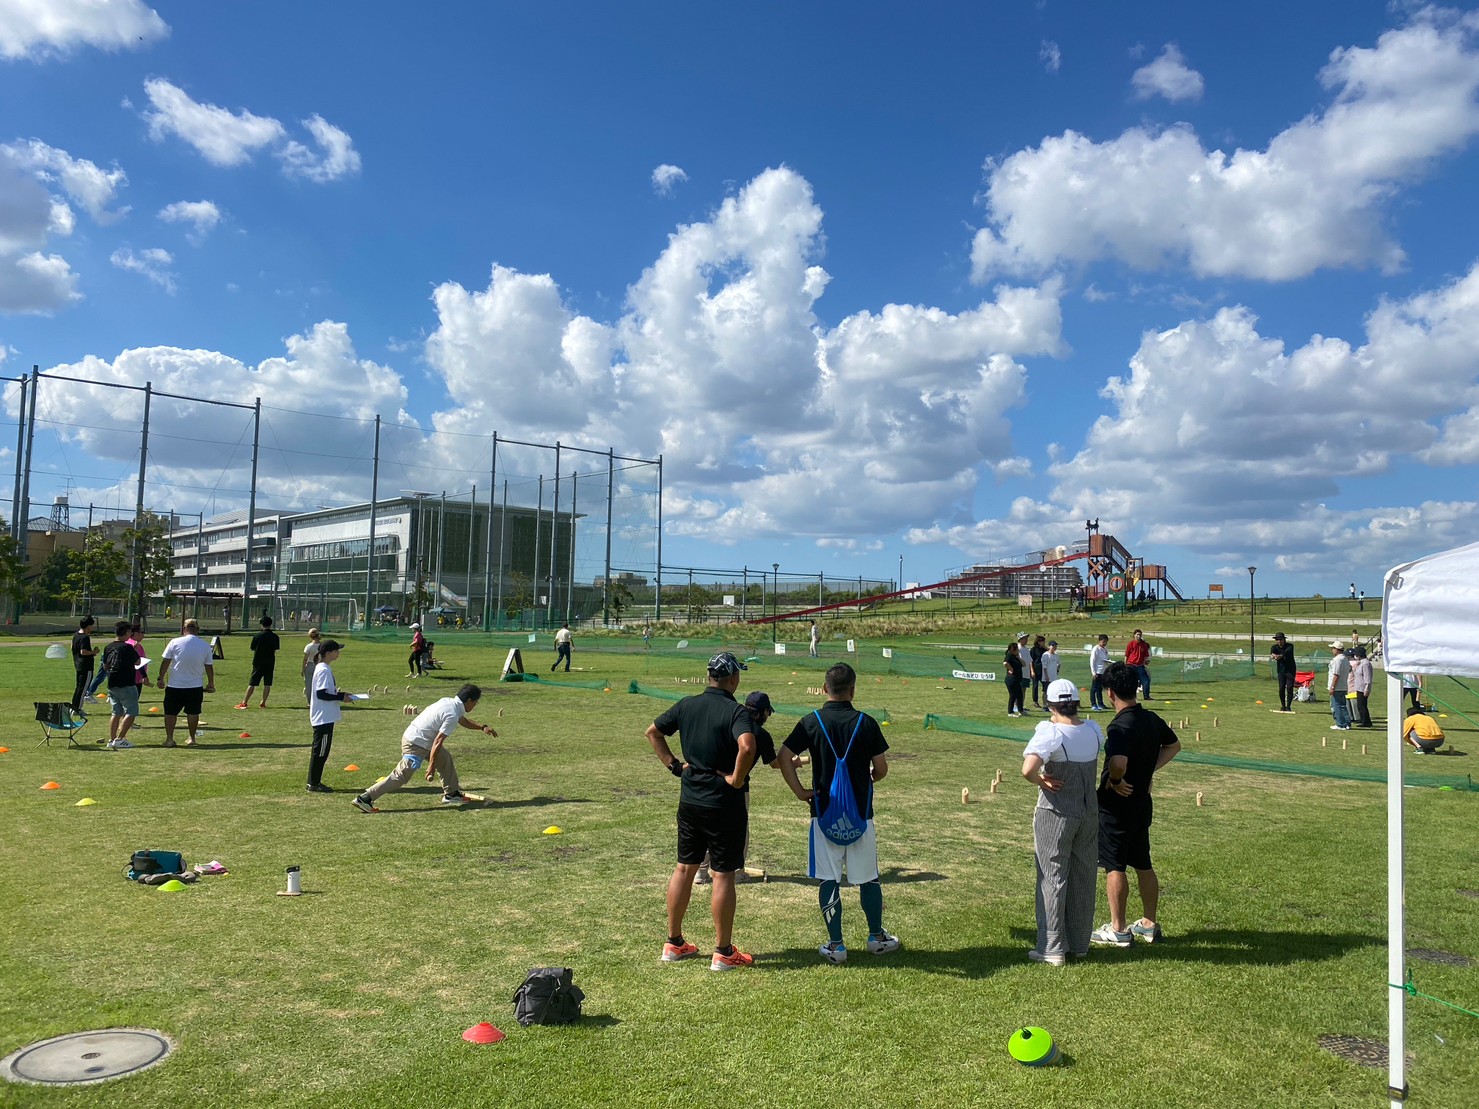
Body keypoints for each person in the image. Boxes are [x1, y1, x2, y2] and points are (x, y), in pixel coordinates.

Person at [776, 662, 899, 965]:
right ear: (853, 690)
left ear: (824, 688)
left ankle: (836, 945)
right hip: (861, 813)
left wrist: (800, 791)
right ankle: (876, 937)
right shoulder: (867, 723)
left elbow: (783, 757)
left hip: (823, 811)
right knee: (868, 878)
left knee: (828, 879)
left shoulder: (811, 721)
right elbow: (881, 769)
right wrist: (870, 777)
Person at [643, 651, 758, 971]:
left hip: (690, 801)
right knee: (723, 874)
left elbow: (653, 732)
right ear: (733, 678)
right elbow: (747, 746)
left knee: (684, 868)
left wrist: (675, 766)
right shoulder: (737, 712)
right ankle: (723, 951)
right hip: (723, 804)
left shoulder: (687, 704)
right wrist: (736, 778)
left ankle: (674, 943)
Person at [1092, 661, 1180, 947]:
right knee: (1143, 863)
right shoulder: (1151, 718)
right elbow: (1173, 745)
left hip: (1116, 806)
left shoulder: (1119, 726)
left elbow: (1118, 762)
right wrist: (1148, 770)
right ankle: (1148, 924)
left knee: (1114, 865)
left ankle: (1118, 929)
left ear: (1110, 692)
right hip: (1142, 803)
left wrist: (1117, 780)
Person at [1021, 678, 1103, 965]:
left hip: (1055, 811)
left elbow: (1028, 769)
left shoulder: (1050, 732)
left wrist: (1041, 781)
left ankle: (1052, 946)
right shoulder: (1093, 730)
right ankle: (1080, 942)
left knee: (1052, 875)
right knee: (1083, 876)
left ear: (1051, 704)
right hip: (1089, 812)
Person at [353, 684, 499, 811]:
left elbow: (463, 721)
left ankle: (451, 794)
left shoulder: (449, 702)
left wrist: (482, 727)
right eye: (476, 703)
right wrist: (431, 766)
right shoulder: (451, 714)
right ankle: (365, 798)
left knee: (445, 758)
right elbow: (438, 742)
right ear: (469, 701)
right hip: (415, 743)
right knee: (401, 776)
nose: (475, 706)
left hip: (420, 739)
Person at [696, 690, 781, 886]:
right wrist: (793, 762)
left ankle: (700, 872)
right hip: (738, 785)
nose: (768, 716)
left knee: (710, 826)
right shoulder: (760, 734)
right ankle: (737, 871)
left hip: (712, 782)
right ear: (763, 712)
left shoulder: (731, 722)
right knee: (738, 829)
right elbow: (775, 763)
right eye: (768, 712)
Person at [156, 618, 216, 747]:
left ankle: (169, 739)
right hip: (195, 686)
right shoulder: (205, 645)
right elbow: (209, 666)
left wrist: (160, 678)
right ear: (197, 630)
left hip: (175, 685)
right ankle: (192, 738)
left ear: (184, 629)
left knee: (170, 713)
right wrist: (211, 683)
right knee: (193, 713)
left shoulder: (174, 642)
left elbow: (166, 661)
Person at [306, 639, 349, 792]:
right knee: (321, 752)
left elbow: (327, 692)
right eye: (337, 651)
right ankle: (314, 783)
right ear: (329, 653)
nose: (338, 653)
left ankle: (314, 782)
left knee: (321, 751)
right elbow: (321, 693)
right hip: (323, 718)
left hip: (325, 716)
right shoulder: (323, 669)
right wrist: (340, 698)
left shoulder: (322, 667)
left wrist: (341, 694)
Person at [100, 620, 142, 750]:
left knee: (116, 712)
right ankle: (120, 738)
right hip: (126, 683)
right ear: (126, 632)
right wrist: (134, 651)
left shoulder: (108, 647)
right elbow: (138, 662)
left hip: (112, 683)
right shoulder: (127, 647)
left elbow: (105, 666)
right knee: (131, 711)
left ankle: (111, 739)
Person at [238, 615, 281, 709]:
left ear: (261, 624)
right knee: (267, 683)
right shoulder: (275, 636)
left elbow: (252, 648)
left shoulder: (257, 636)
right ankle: (263, 702)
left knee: (252, 683)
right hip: (270, 661)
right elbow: (275, 649)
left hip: (258, 661)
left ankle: (244, 702)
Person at [71, 616, 97, 714]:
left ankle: (73, 706)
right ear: (88, 626)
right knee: (83, 688)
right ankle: (77, 709)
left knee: (79, 687)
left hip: (78, 664)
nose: (92, 628)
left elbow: (72, 648)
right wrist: (93, 651)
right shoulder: (85, 637)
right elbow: (83, 651)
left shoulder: (76, 635)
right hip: (86, 666)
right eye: (91, 626)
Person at [1327, 640, 1352, 731]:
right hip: (1343, 685)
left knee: (1336, 705)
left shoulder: (1337, 660)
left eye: (1333, 648)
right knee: (1342, 705)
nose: (1332, 650)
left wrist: (1332, 687)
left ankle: (1340, 724)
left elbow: (1336, 674)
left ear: (1337, 649)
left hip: (1337, 686)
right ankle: (1347, 723)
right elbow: (1350, 669)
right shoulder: (1345, 659)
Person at [1270, 632, 1297, 713]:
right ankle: (1283, 706)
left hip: (1290, 670)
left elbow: (1286, 653)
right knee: (1281, 688)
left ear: (1284, 639)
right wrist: (1273, 656)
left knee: (1289, 687)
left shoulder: (1290, 646)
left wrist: (1279, 656)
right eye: (1277, 640)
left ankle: (1288, 706)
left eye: (1280, 639)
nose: (1279, 641)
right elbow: (1272, 654)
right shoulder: (1274, 647)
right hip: (1281, 670)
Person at [1350, 646, 1374, 728]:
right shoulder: (1360, 663)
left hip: (1363, 688)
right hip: (1359, 687)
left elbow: (1367, 677)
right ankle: (1364, 719)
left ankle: (1366, 722)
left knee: (1362, 705)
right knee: (1360, 705)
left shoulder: (1365, 664)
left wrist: (1367, 688)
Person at [1125, 630, 1152, 700]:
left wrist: (1146, 661)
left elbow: (1146, 655)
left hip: (1140, 665)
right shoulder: (1131, 644)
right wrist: (1125, 665)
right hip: (1131, 664)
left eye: (1140, 634)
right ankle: (1132, 697)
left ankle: (1146, 696)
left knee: (1146, 680)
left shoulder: (1144, 644)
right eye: (1137, 634)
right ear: (1134, 635)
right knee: (1132, 681)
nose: (1139, 636)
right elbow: (1127, 655)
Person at [1003, 640, 1026, 717]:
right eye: (1017, 650)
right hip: (1011, 679)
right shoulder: (1009, 655)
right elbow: (1005, 663)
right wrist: (1010, 669)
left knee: (1019, 695)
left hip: (1017, 680)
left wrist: (1018, 657)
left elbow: (1024, 664)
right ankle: (1010, 712)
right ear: (1013, 650)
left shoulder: (1016, 657)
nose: (1018, 651)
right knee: (1013, 695)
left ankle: (1021, 710)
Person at [1089, 634, 1111, 711]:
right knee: (1094, 688)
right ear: (1099, 641)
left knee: (1099, 689)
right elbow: (1092, 661)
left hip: (1103, 671)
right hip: (1097, 671)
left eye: (1106, 642)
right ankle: (1093, 704)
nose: (1104, 643)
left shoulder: (1104, 649)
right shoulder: (1095, 649)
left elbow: (1105, 658)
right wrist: (1094, 672)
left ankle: (1100, 703)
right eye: (1103, 641)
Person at [301, 628, 322, 704]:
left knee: (308, 685)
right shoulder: (322, 646)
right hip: (319, 665)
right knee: (319, 684)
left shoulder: (309, 646)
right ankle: (318, 701)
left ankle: (310, 702)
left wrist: (303, 669)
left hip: (310, 664)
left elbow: (305, 659)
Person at [1029, 634, 1048, 708]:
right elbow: (1031, 661)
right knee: (1035, 686)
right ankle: (1035, 701)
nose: (1044, 642)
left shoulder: (1044, 650)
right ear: (1038, 642)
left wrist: (1045, 647)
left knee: (1045, 686)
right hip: (1035, 671)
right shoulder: (1033, 650)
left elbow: (1051, 652)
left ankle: (1045, 701)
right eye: (1042, 641)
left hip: (1043, 671)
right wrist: (1032, 671)